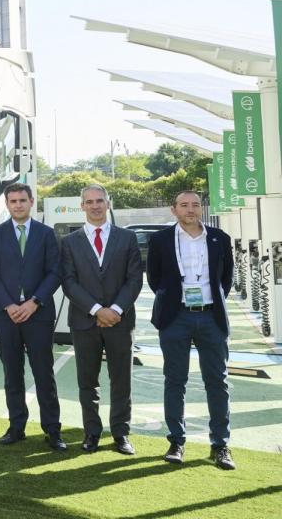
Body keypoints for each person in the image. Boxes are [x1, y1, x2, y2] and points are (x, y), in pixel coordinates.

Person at [147, 190, 236, 470]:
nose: (190, 210)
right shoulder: (160, 240)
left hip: (211, 317)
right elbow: (154, 278)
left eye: (195, 205)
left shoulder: (219, 238)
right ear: (173, 210)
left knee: (217, 381)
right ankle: (176, 441)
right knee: (175, 380)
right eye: (184, 205)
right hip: (176, 318)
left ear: (201, 209)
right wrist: (174, 300)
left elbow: (226, 278)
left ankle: (220, 444)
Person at [60, 183, 142, 455]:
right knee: (87, 382)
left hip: (120, 322)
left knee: (122, 381)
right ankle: (91, 433)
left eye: (100, 200)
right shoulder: (69, 242)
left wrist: (115, 310)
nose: (95, 206)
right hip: (85, 322)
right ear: (81, 206)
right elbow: (69, 283)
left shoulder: (126, 238)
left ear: (108, 203)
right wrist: (97, 309)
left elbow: (134, 279)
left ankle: (121, 434)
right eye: (89, 201)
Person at [0, 183, 65, 451]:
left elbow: (55, 272)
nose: (17, 205)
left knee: (44, 373)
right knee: (12, 373)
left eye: (22, 200)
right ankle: (17, 427)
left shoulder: (46, 234)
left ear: (32, 202)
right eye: (13, 201)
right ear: (7, 204)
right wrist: (8, 305)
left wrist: (34, 302)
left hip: (38, 314)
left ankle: (52, 430)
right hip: (6, 315)